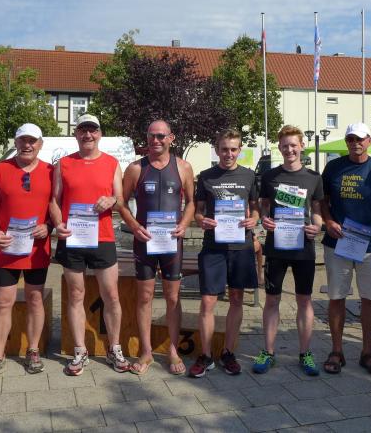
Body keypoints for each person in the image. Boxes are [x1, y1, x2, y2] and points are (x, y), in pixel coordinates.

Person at [51, 114, 130, 375]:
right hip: (72, 238)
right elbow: (54, 200)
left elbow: (120, 198)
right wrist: (58, 223)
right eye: (83, 130)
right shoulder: (64, 164)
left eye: (92, 130)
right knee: (75, 295)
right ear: (76, 134)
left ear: (100, 134)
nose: (88, 135)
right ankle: (79, 350)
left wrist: (112, 200)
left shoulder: (111, 163)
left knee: (112, 295)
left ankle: (114, 348)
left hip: (102, 238)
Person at [0, 124, 54, 382]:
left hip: (37, 248)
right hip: (8, 247)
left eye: (32, 141)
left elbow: (56, 206)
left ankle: (33, 351)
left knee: (35, 299)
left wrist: (49, 226)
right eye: (22, 140)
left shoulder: (51, 171)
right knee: (3, 302)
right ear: (16, 142)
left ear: (40, 144)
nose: (27, 145)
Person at [119, 120, 195, 376]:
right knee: (145, 297)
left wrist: (185, 223)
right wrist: (133, 225)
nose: (156, 140)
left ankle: (173, 350)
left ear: (171, 138)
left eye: (161, 136)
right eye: (152, 135)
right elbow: (121, 203)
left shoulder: (183, 167)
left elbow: (192, 202)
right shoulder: (135, 169)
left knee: (173, 297)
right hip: (145, 241)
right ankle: (146, 351)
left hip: (172, 241)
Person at [320, 122, 371, 377]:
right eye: (351, 139)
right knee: (336, 297)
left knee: (370, 299)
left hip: (370, 245)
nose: (355, 143)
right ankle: (336, 350)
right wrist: (328, 221)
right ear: (346, 142)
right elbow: (322, 201)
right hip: (338, 243)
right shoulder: (333, 167)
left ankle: (367, 352)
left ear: (369, 141)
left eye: (360, 139)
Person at [253, 125, 324, 376]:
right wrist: (265, 219)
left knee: (304, 300)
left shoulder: (314, 178)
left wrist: (318, 227)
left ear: (301, 146)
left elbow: (317, 211)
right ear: (280, 148)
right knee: (272, 299)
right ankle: (268, 352)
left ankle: (305, 353)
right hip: (276, 248)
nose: (289, 150)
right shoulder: (270, 177)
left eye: (293, 145)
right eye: (285, 146)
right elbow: (264, 207)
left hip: (303, 247)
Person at [188, 129, 259, 377]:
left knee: (237, 299)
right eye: (224, 149)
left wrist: (255, 220)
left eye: (233, 149)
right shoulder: (206, 176)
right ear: (217, 150)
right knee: (208, 301)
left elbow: (255, 208)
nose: (229, 154)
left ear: (239, 150)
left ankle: (228, 352)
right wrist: (201, 220)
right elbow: (198, 211)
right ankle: (206, 355)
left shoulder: (249, 176)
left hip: (241, 246)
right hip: (214, 247)